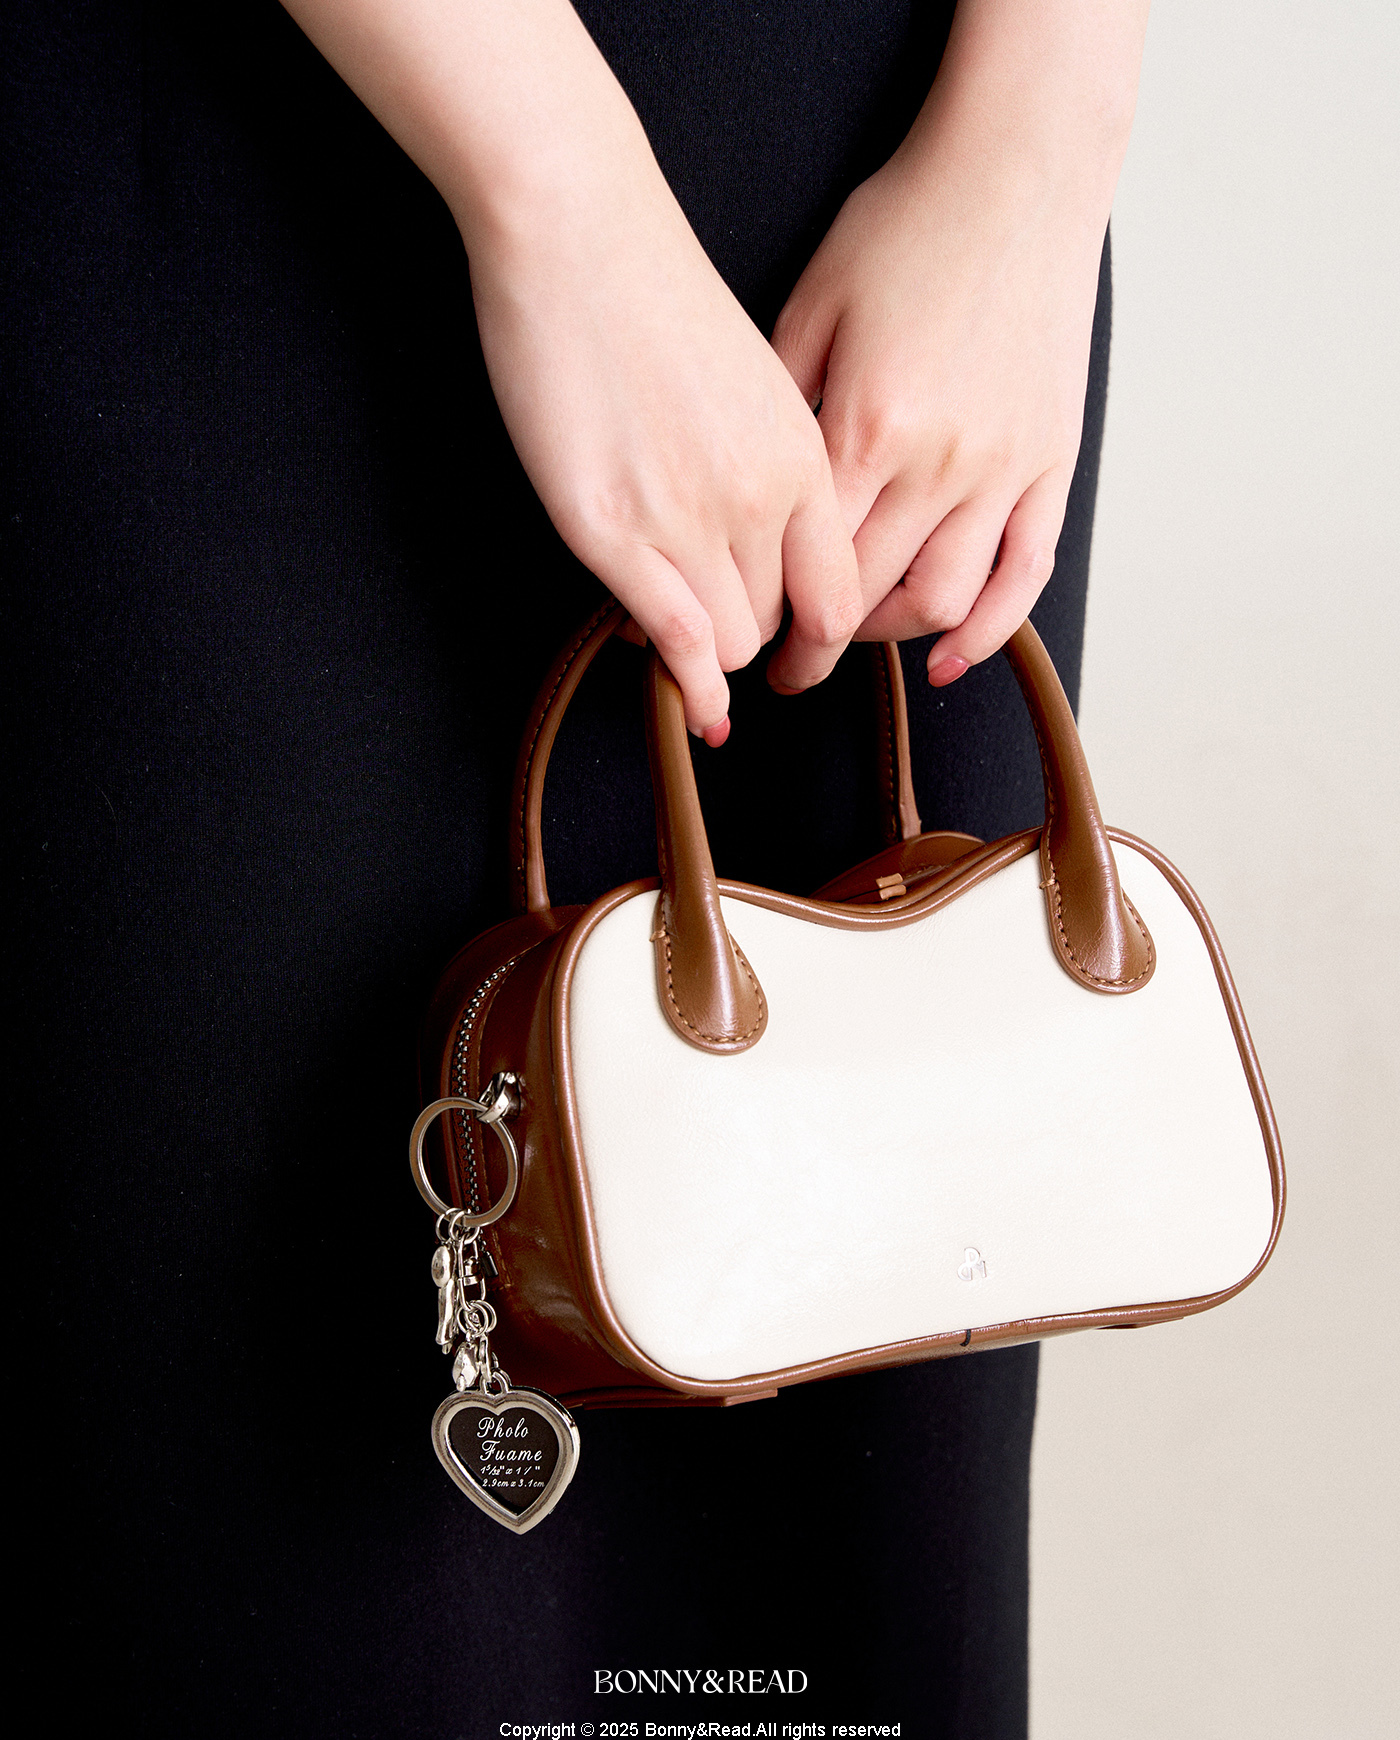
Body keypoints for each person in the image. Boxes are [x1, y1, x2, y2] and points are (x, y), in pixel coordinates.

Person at [4, 1, 1148, 1734]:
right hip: (268, 172)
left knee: (863, 1511)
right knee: (293, 1505)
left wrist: (1039, 147)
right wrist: (559, 192)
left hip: (908, 223)